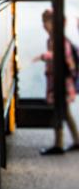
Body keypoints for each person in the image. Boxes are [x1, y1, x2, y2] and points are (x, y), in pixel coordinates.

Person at [33, 9, 79, 155]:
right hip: (58, 80)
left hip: (62, 82)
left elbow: (61, 54)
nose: (44, 25)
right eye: (43, 22)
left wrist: (43, 56)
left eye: (47, 22)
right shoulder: (54, 38)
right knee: (64, 111)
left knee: (59, 111)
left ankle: (59, 144)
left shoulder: (58, 39)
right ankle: (75, 140)